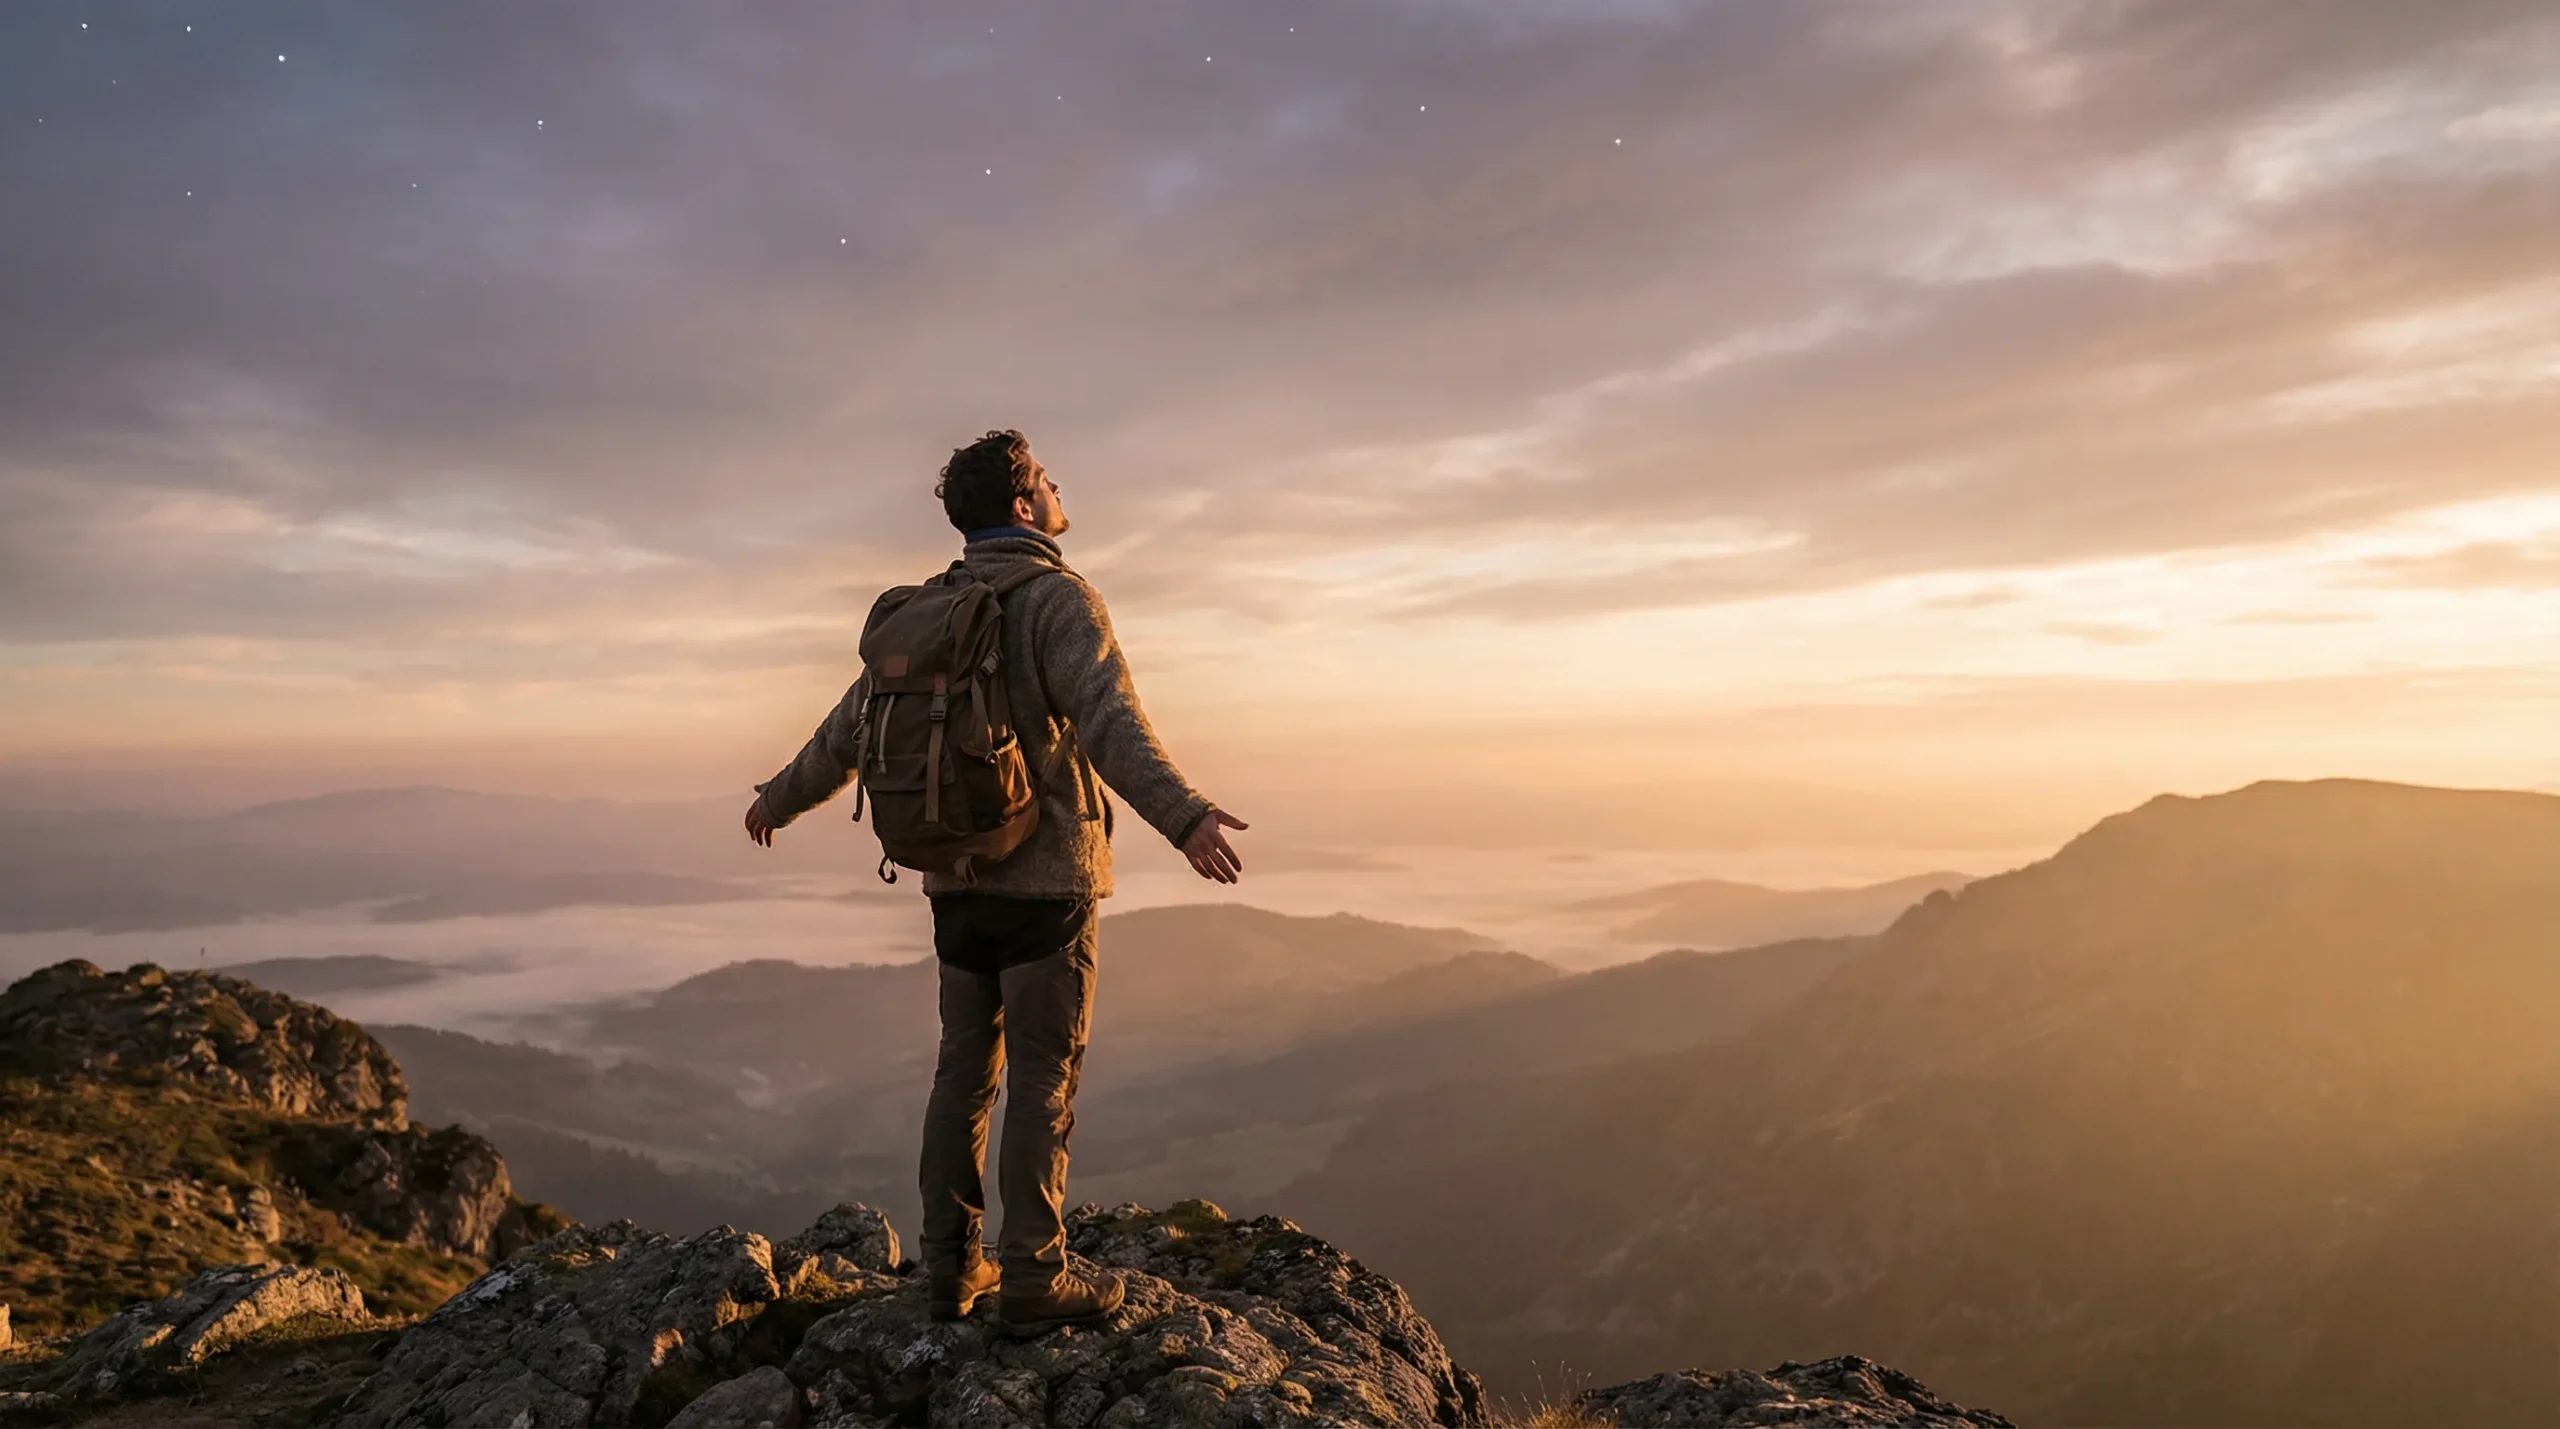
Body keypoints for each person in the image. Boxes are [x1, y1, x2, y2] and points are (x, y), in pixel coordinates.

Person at [742, 429, 1248, 1334]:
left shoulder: (926, 610)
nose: (1060, 490)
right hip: (1047, 884)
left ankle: (949, 1268)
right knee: (1045, 1077)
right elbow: (1108, 721)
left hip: (953, 880)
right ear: (1023, 508)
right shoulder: (1057, 600)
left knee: (962, 1074)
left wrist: (777, 801)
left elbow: (841, 736)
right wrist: (1186, 815)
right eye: (1049, 480)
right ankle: (1033, 1276)